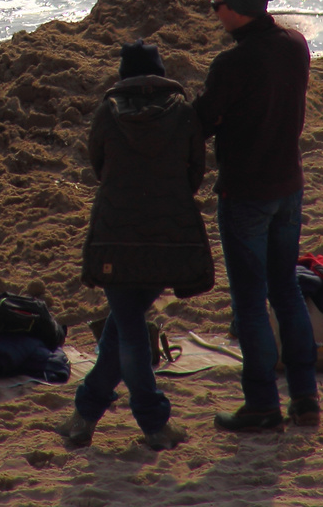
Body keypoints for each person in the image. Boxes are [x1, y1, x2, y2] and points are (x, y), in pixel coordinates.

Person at [57, 42, 209, 452]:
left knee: (128, 331)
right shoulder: (183, 112)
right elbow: (196, 170)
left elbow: (99, 166)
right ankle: (86, 417)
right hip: (169, 236)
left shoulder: (109, 113)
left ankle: (144, 422)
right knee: (125, 327)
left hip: (115, 236)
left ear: (124, 76)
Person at [193, 0, 319, 431]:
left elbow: (203, 120)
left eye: (217, 4)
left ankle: (263, 403)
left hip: (246, 190)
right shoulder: (294, 45)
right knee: (284, 288)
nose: (214, 11)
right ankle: (305, 398)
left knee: (250, 301)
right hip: (288, 182)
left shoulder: (232, 64)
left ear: (237, 8)